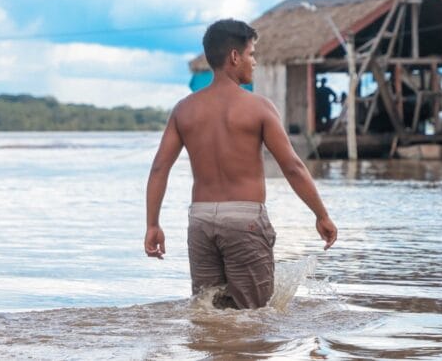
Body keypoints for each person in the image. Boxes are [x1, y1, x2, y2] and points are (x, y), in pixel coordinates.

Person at [144, 18, 338, 309]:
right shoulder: (258, 107)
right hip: (244, 220)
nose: (254, 62)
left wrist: (153, 224)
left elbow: (160, 168)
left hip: (200, 221)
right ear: (234, 57)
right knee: (255, 316)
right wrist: (321, 214)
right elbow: (293, 167)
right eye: (251, 54)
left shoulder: (184, 109)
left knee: (209, 312)